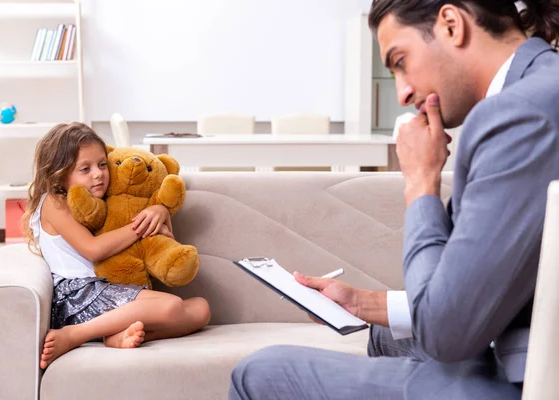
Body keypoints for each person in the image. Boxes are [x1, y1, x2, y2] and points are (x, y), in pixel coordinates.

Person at [229, 1, 559, 398]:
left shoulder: (519, 114)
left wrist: (420, 182)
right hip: (522, 332)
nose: (402, 92)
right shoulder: (539, 87)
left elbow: (447, 334)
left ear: (451, 25)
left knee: (260, 374)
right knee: (383, 338)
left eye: (400, 61)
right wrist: (364, 303)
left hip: (530, 377)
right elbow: (498, 274)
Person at [22, 122, 211, 369]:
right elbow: (94, 249)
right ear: (59, 174)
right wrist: (141, 224)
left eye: (102, 164)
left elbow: (163, 239)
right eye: (85, 169)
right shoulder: (54, 203)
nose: (98, 174)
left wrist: (159, 209)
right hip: (79, 296)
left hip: (107, 289)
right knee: (172, 305)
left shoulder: (104, 199)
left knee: (202, 309)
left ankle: (112, 334)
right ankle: (75, 334)